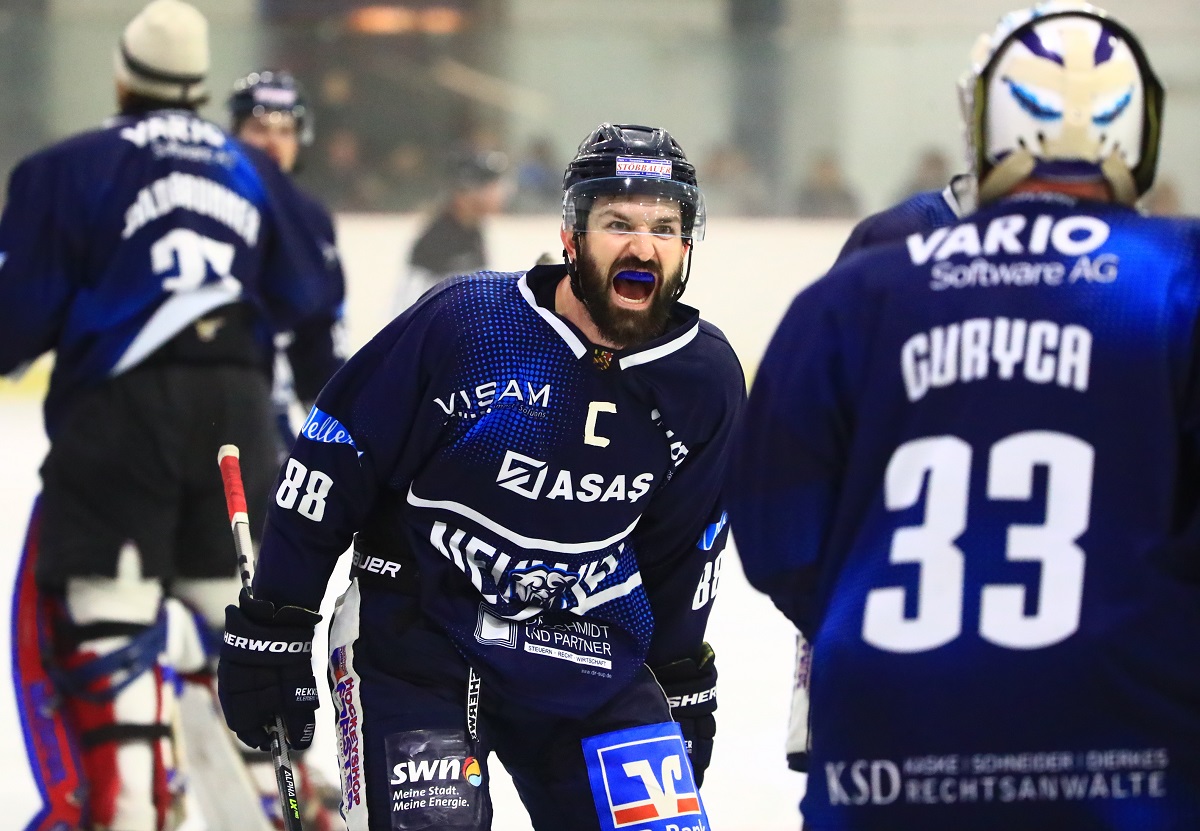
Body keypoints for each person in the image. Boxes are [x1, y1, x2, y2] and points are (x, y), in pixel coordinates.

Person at [728, 4, 1200, 830]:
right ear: (1143, 130)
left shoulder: (854, 291)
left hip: (891, 743)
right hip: (1123, 748)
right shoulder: (1177, 278)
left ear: (980, 119)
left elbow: (777, 527)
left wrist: (869, 613)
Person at [217, 122, 746, 830]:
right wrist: (277, 620)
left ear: (685, 246)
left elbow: (685, 548)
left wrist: (680, 677)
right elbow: (334, 454)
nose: (642, 244)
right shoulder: (469, 323)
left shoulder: (702, 378)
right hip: (421, 639)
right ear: (572, 237)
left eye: (664, 226)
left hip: (589, 649)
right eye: (617, 221)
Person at [0, 2, 342, 829]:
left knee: (108, 633)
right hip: (238, 422)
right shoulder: (260, 176)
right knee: (239, 634)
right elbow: (314, 321)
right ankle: (281, 798)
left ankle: (129, 798)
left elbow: (14, 328)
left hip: (120, 419)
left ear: (122, 77)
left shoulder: (66, 168)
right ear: (199, 89)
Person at [228, 68, 348, 450]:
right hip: (209, 402)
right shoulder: (211, 205)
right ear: (234, 135)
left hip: (268, 414)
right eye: (259, 129)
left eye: (284, 131)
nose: (272, 142)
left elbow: (318, 332)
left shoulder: (311, 218)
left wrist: (337, 424)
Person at [392, 148, 510, 313]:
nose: (500, 193)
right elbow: (406, 312)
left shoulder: (472, 231)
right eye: (491, 186)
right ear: (465, 191)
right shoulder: (436, 241)